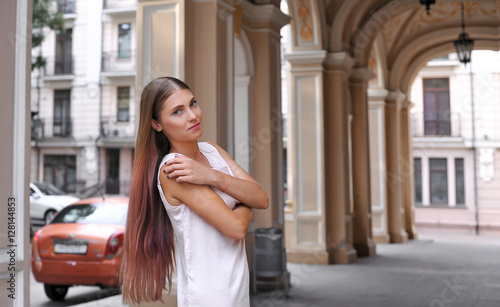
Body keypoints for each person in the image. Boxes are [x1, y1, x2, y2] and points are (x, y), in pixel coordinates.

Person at [120, 76, 269, 306]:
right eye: (177, 111)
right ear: (157, 124)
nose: (193, 115)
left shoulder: (212, 151)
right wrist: (243, 199)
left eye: (192, 103)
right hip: (210, 297)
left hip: (237, 292)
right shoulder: (173, 170)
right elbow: (237, 228)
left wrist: (211, 176)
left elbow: (262, 198)